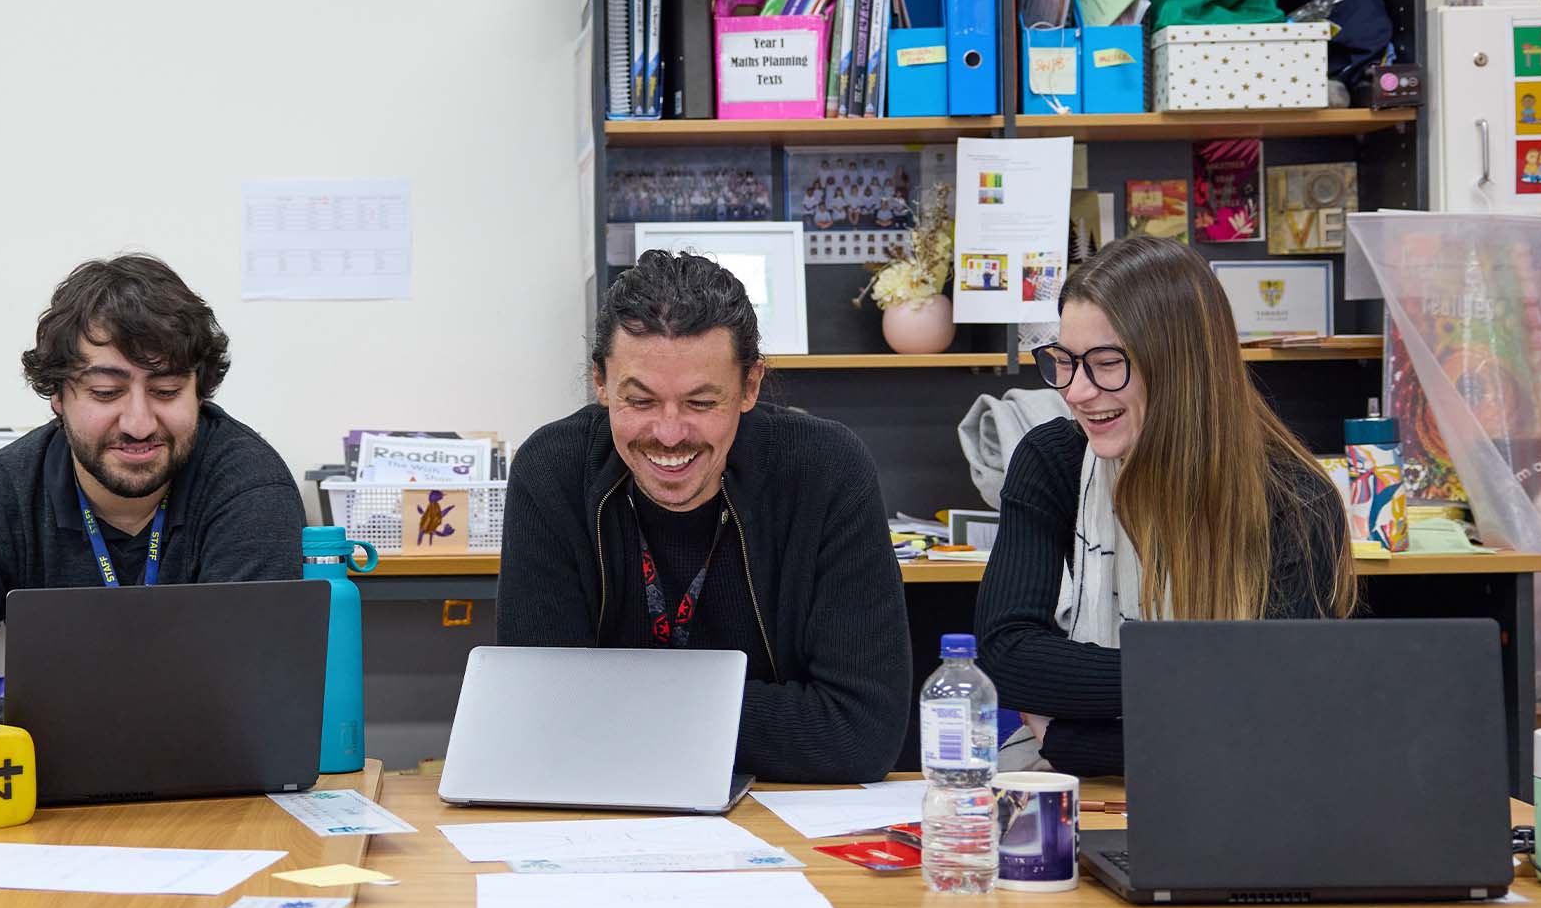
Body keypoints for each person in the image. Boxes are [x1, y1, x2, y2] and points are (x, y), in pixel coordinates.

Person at [0, 254, 306, 761]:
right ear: (56, 396)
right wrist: (39, 730)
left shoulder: (248, 489)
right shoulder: (1, 495)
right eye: (106, 392)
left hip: (208, 790)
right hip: (48, 781)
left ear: (200, 391)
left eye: (167, 391)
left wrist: (77, 728)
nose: (138, 423)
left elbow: (245, 709)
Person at [498, 249, 911, 784]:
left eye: (700, 403)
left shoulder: (825, 470)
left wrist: (614, 705)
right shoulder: (552, 470)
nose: (669, 434)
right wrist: (752, 715)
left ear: (750, 387)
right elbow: (535, 714)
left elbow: (859, 733)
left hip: (781, 818)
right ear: (600, 381)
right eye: (640, 400)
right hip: (596, 814)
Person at [975, 236, 1357, 777]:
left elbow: (1281, 713)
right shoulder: (1051, 461)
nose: (1077, 391)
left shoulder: (1296, 499)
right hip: (1075, 792)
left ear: (1182, 368)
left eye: (1106, 364)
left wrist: (1070, 739)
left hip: (1237, 793)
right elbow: (1007, 654)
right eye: (1064, 361)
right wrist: (1211, 675)